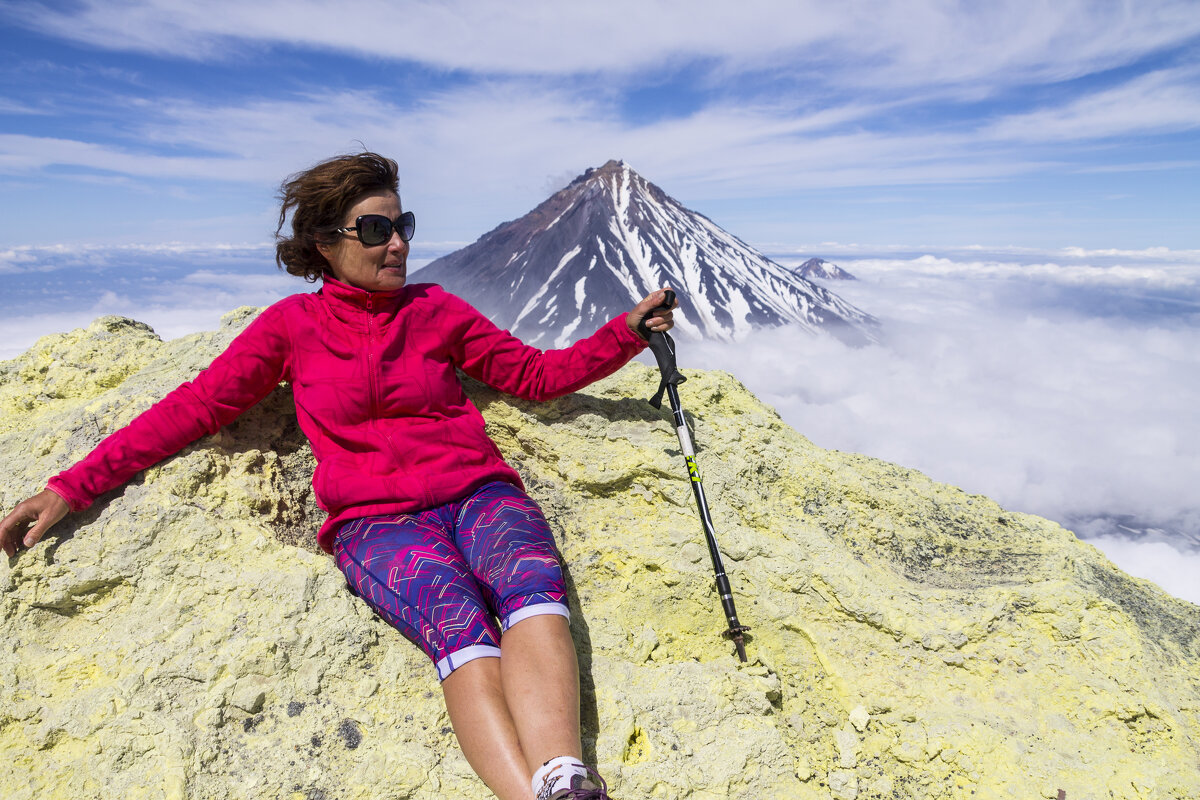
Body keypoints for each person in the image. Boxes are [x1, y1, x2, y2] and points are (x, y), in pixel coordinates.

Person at [0, 152, 676, 800]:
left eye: (402, 226)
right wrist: (70, 487)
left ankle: (568, 779)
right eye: (376, 230)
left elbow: (534, 376)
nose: (398, 245)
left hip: (479, 494)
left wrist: (626, 331)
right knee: (460, 625)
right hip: (375, 522)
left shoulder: (435, 310)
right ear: (325, 243)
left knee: (531, 590)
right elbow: (195, 409)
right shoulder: (292, 327)